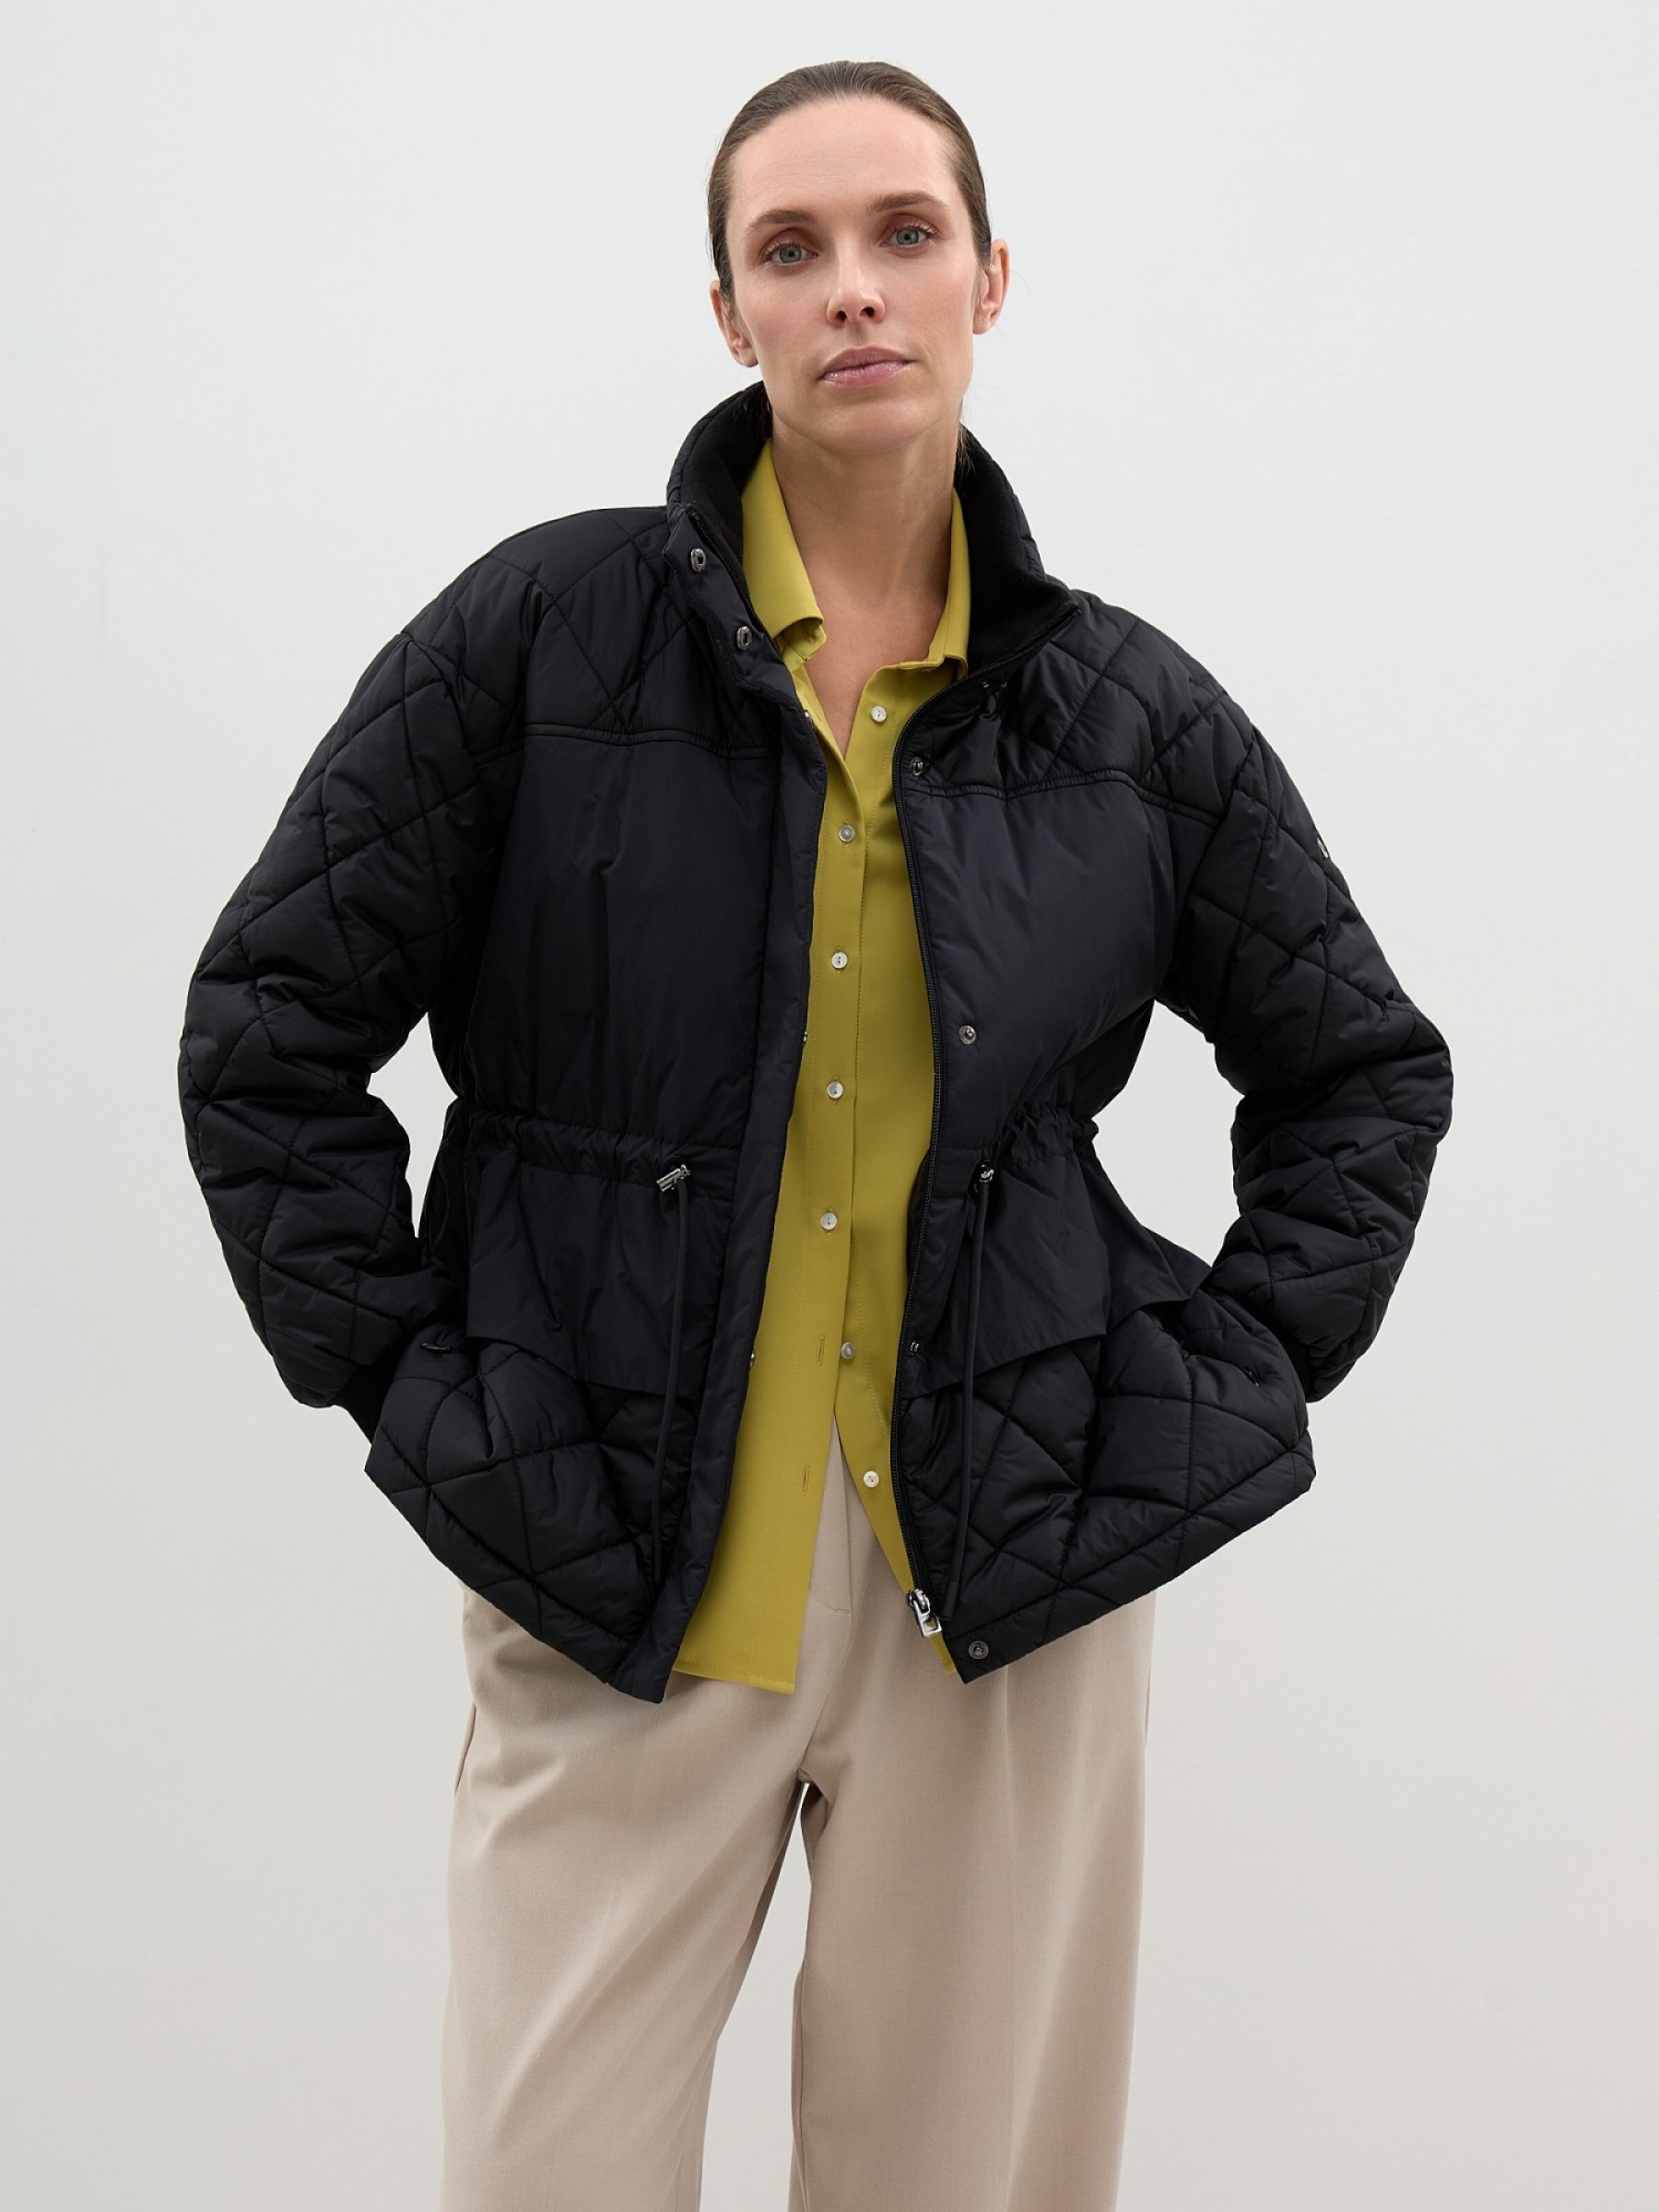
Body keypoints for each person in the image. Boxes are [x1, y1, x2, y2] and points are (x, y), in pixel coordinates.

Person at [177, 58, 1453, 2212]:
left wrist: (1218, 1381)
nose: (853, 287)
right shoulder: (540, 641)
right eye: (792, 248)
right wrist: (418, 1382)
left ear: (989, 280)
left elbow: (1361, 1070)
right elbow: (268, 1029)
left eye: (902, 235)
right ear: (731, 312)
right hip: (614, 1557)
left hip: (1009, 1590)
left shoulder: (1125, 716)